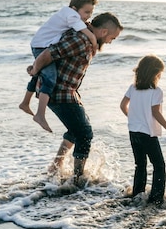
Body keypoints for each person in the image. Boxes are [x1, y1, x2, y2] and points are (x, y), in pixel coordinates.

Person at [27, 11, 123, 185]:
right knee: (84, 133)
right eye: (112, 38)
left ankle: (55, 166)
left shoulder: (86, 39)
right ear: (103, 32)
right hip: (59, 92)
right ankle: (78, 178)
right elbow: (48, 54)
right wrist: (35, 70)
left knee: (75, 130)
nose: (110, 42)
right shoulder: (80, 40)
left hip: (68, 92)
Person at [20, 0, 99, 133]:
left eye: (91, 13)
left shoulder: (68, 13)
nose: (88, 17)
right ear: (75, 8)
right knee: (50, 79)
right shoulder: (72, 15)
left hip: (41, 44)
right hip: (42, 46)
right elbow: (86, 32)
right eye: (86, 12)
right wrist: (93, 41)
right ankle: (40, 114)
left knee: (40, 74)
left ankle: (25, 102)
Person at [120, 55, 166, 206]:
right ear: (154, 73)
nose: (160, 76)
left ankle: (137, 194)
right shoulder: (156, 91)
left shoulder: (133, 88)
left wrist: (133, 118)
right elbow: (155, 112)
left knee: (140, 164)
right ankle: (156, 198)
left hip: (133, 131)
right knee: (159, 165)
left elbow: (122, 105)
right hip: (147, 133)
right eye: (159, 73)